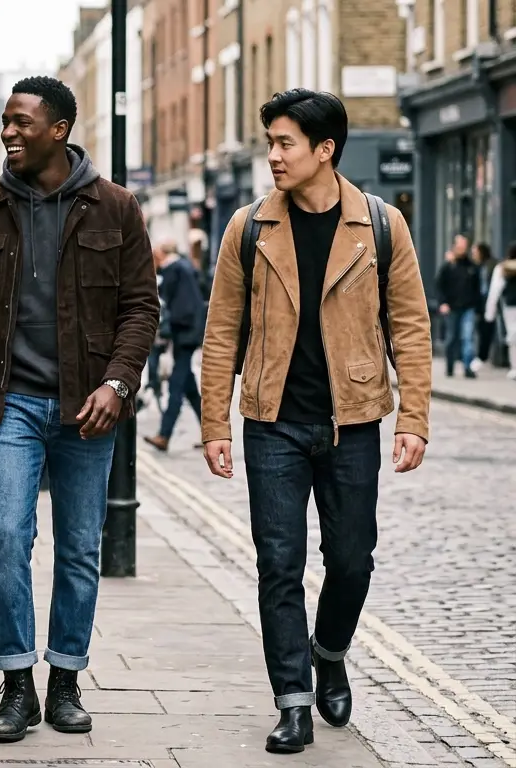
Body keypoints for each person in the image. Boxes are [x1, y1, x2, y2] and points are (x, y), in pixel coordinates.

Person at [200, 90, 431, 754]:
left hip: (352, 421)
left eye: (284, 143)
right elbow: (221, 335)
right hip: (272, 422)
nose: (271, 156)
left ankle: (329, 650)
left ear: (325, 149)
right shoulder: (248, 227)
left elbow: (410, 330)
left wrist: (413, 416)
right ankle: (293, 702)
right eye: (269, 142)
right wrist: (215, 424)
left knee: (352, 561)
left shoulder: (381, 224)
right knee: (278, 564)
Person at [0, 76, 159, 744]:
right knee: (7, 537)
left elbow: (140, 308)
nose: (8, 132)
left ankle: (65, 680)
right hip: (9, 405)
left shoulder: (115, 208)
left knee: (78, 547)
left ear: (58, 129)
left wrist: (118, 384)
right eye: (5, 123)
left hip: (87, 411)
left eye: (20, 123)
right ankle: (17, 686)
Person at [143, 240, 205, 451]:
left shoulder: (176, 269)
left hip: (185, 337)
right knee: (189, 388)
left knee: (177, 387)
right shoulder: (181, 268)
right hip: (185, 335)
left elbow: (182, 307)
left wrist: (169, 330)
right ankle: (211, 433)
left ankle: (164, 435)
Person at [436, 234, 481, 378]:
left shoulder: (471, 266)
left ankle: (467, 367)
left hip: (468, 307)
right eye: (459, 245)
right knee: (452, 337)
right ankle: (450, 367)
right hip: (452, 307)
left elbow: (477, 287)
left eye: (464, 245)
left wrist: (478, 306)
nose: (462, 248)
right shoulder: (448, 266)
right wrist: (442, 303)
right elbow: (439, 285)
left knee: (468, 337)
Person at [483, 243, 516, 380]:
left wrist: (489, 313)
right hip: (511, 305)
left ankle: (515, 367)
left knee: (513, 336)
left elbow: (494, 292)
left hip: (511, 305)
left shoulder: (503, 268)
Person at [474, 241, 496, 368]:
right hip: (481, 302)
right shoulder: (478, 266)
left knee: (488, 330)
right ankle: (482, 356)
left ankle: (484, 356)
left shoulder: (491, 265)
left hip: (491, 301)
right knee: (482, 329)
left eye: (475, 252)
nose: (474, 254)